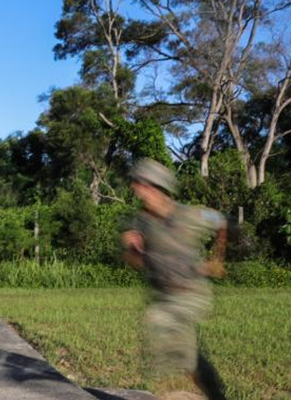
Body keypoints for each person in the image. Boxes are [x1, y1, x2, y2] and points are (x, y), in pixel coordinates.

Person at [121, 159, 228, 400]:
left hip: (190, 293)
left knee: (164, 329)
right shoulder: (140, 222)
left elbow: (221, 221)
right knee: (189, 359)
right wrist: (132, 250)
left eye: (140, 185)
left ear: (155, 187)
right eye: (136, 184)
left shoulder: (190, 214)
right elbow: (135, 262)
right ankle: (212, 392)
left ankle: (186, 391)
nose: (136, 190)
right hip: (163, 295)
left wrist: (217, 259)